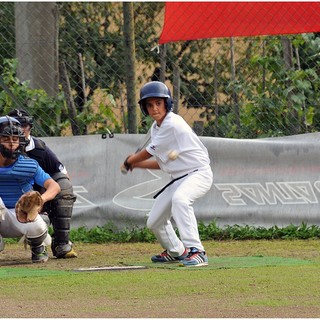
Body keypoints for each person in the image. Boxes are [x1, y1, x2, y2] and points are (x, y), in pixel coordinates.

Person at [121, 81, 213, 267]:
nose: (154, 108)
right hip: (178, 178)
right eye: (149, 104)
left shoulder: (172, 123)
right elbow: (161, 164)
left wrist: (132, 160)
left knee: (181, 200)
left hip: (198, 174)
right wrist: (137, 165)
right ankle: (176, 251)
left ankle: (197, 251)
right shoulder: (157, 128)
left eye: (158, 103)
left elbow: (147, 152)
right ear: (144, 108)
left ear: (167, 104)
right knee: (154, 221)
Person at [7, 109, 77, 259]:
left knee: (64, 188)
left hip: (34, 193)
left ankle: (60, 243)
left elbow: (61, 177)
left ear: (30, 127)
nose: (20, 130)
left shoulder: (37, 152)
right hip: (6, 199)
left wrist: (40, 201)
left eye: (23, 126)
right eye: (7, 136)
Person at [0, 116, 61, 262]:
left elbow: (54, 186)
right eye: (6, 139)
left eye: (15, 139)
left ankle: (38, 245)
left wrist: (41, 199)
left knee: (38, 230)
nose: (11, 144)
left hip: (23, 216)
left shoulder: (29, 165)